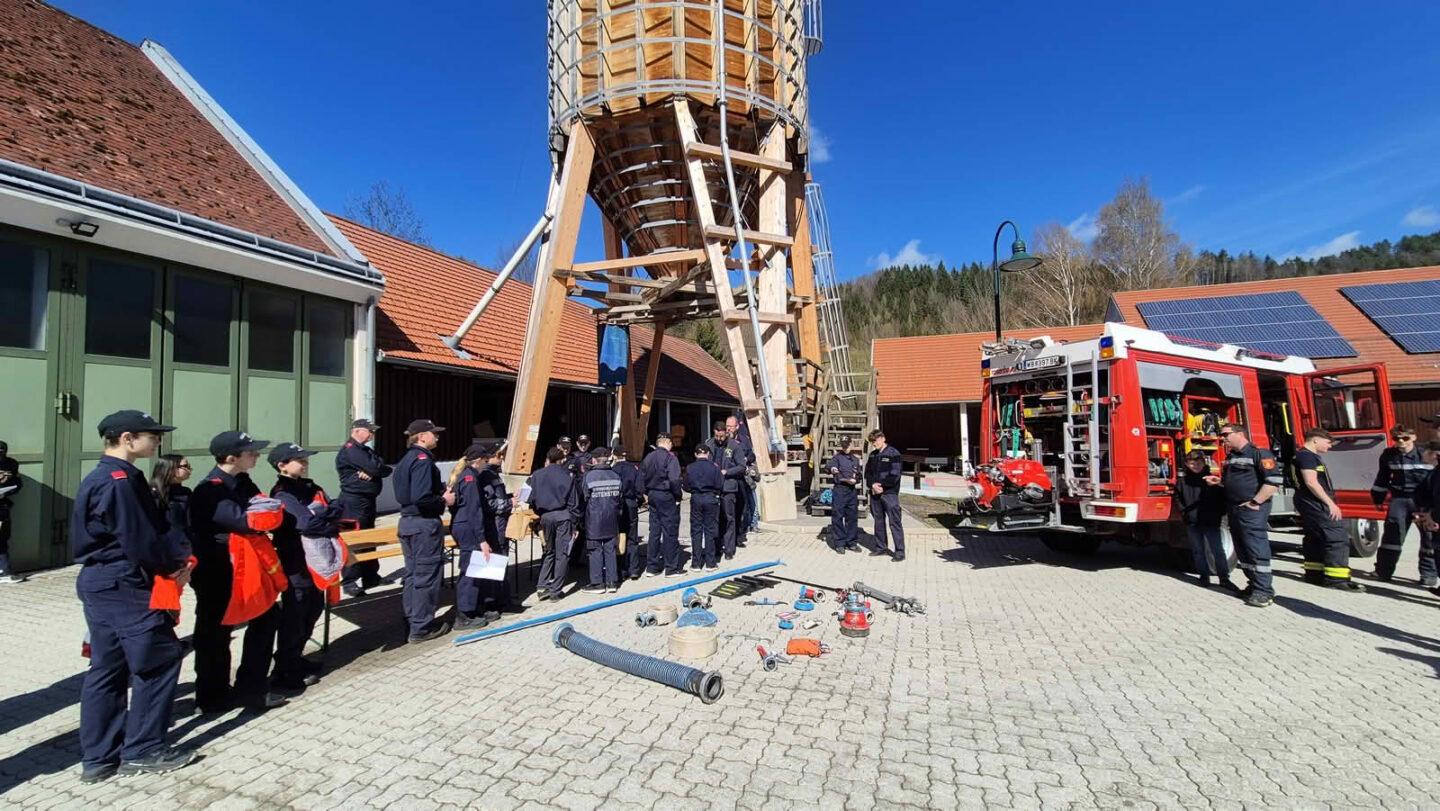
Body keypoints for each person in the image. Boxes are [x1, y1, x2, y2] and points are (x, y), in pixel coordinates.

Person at [72, 410, 195, 781]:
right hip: (124, 583)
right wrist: (173, 568)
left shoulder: (104, 476)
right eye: (151, 435)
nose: (157, 441)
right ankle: (143, 750)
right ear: (127, 439)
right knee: (158, 659)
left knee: (107, 668)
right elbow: (140, 538)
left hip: (102, 582)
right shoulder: (119, 481)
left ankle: (98, 758)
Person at [190, 430, 286, 712]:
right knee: (215, 632)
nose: (256, 455)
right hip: (217, 569)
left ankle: (251, 688)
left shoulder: (243, 481)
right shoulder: (210, 489)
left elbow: (270, 512)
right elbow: (246, 522)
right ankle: (212, 696)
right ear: (231, 458)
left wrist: (263, 515)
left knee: (267, 617)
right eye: (250, 452)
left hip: (247, 566)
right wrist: (261, 516)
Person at [267, 442, 343, 690]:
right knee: (295, 613)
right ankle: (284, 669)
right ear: (282, 465)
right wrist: (324, 518)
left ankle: (296, 657)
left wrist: (322, 516)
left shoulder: (309, 486)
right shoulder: (282, 493)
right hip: (295, 560)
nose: (305, 463)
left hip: (315, 559)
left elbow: (336, 507)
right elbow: (305, 524)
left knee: (314, 607)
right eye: (299, 460)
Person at [1206, 423, 1282, 608]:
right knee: (1242, 549)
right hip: (1234, 509)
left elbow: (1273, 482)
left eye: (1226, 434)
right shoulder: (1232, 457)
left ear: (1240, 434)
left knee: (1255, 549)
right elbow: (1233, 482)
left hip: (1251, 510)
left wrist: (1255, 502)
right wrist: (1219, 482)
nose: (1223, 438)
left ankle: (1264, 591)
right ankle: (1253, 585)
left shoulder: (1260, 454)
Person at [393, 419, 453, 642]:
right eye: (433, 433)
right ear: (421, 436)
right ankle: (421, 627)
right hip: (423, 524)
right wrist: (444, 500)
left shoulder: (405, 460)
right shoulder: (422, 461)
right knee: (426, 575)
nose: (437, 436)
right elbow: (422, 498)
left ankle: (412, 620)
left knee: (412, 574)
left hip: (408, 522)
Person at [1294, 429, 1365, 592]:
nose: (1330, 446)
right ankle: (1337, 579)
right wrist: (1330, 503)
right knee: (1336, 536)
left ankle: (1315, 574)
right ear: (1315, 441)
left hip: (1308, 501)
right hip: (1315, 502)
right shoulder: (1306, 456)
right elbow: (1311, 482)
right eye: (1327, 442)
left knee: (1315, 537)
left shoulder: (1304, 455)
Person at [1369, 424, 1436, 586]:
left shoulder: (1426, 454)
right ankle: (1383, 571)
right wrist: (1378, 499)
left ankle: (1428, 574)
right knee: (1392, 537)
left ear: (1413, 437)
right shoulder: (1388, 455)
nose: (1401, 442)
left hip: (1424, 501)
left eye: (1405, 438)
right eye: (1397, 439)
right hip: (1400, 500)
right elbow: (1382, 478)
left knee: (1429, 538)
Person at [335, 419, 391, 597]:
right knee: (353, 539)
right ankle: (349, 580)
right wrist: (375, 469)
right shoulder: (351, 450)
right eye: (370, 431)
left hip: (366, 501)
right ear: (357, 431)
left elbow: (383, 467)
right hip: (353, 502)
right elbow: (376, 468)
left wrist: (374, 469)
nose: (372, 434)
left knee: (369, 539)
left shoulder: (364, 450)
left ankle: (370, 575)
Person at [448, 443, 493, 629]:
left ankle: (473, 608)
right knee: (469, 571)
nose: (486, 463)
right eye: (485, 459)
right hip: (468, 528)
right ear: (478, 460)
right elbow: (474, 510)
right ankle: (464, 615)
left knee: (473, 569)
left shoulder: (464, 475)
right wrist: (482, 539)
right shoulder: (469, 478)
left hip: (463, 525)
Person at [1174, 450, 1233, 589]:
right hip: (1192, 522)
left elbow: (1222, 498)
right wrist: (1185, 513)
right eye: (1192, 463)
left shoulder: (1212, 480)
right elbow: (1177, 498)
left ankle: (1224, 578)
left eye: (1198, 463)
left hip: (1211, 521)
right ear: (1186, 464)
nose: (1195, 466)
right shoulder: (1182, 482)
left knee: (1217, 550)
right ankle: (1203, 577)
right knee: (1198, 551)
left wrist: (1219, 514)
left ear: (1204, 462)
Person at [529, 447, 580, 601]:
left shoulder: (536, 475)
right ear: (561, 460)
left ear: (548, 459)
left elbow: (531, 499)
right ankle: (556, 591)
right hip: (563, 516)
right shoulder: (567, 476)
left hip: (545, 516)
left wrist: (540, 515)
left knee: (549, 551)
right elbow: (573, 502)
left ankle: (542, 586)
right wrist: (575, 524)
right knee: (562, 554)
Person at [577, 447, 624, 593]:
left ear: (594, 460)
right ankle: (612, 582)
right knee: (610, 549)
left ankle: (597, 583)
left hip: (594, 519)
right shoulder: (616, 476)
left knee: (594, 550)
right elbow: (620, 499)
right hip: (612, 518)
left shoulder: (589, 477)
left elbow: (584, 498)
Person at [475, 443, 514, 616]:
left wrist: (511, 497)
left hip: (499, 524)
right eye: (501, 455)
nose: (503, 458)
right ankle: (496, 602)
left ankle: (503, 599)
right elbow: (489, 503)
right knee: (497, 561)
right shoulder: (485, 476)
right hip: (494, 526)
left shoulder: (493, 474)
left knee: (501, 560)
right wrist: (509, 503)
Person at [642, 433, 684, 577]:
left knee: (654, 531)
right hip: (666, 495)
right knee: (669, 531)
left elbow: (642, 477)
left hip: (653, 494)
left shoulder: (648, 457)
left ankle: (652, 567)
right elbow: (674, 480)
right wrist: (678, 495)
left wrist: (646, 493)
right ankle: (671, 568)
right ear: (669, 443)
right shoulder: (671, 458)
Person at [704, 421, 748, 560]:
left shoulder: (734, 446)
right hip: (713, 488)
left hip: (728, 487)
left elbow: (742, 467)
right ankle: (716, 548)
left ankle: (729, 549)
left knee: (729, 518)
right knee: (715, 519)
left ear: (726, 433)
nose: (719, 439)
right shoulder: (709, 444)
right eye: (717, 436)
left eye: (722, 436)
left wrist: (727, 472)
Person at [864, 430, 906, 562]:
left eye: (875, 441)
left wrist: (881, 486)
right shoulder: (873, 455)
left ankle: (899, 551)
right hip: (875, 493)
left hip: (889, 494)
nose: (874, 444)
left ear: (883, 438)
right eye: (872, 442)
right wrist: (872, 485)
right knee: (878, 521)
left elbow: (895, 475)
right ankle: (881, 547)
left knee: (894, 522)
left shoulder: (894, 453)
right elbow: (867, 473)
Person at [685, 444, 724, 571]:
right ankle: (710, 563)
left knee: (696, 530)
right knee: (709, 530)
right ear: (708, 454)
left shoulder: (690, 467)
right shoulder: (714, 467)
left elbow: (686, 486)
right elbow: (720, 484)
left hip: (696, 498)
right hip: (710, 499)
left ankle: (696, 563)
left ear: (695, 455)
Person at [611, 446, 646, 581]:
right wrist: (639, 501)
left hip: (616, 505)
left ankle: (621, 569)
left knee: (619, 536)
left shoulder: (612, 470)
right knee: (632, 537)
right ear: (625, 456)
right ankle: (634, 569)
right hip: (631, 503)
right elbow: (639, 489)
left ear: (614, 456)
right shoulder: (634, 469)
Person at [726, 415, 759, 534]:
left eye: (731, 426)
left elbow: (752, 455)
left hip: (745, 476)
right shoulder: (723, 441)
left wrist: (746, 459)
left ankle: (752, 524)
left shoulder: (744, 440)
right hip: (730, 477)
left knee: (750, 500)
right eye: (727, 426)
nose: (728, 429)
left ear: (737, 427)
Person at [828, 437, 862, 554]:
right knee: (838, 516)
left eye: (847, 445)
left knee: (852, 517)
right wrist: (832, 469)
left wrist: (856, 480)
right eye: (843, 445)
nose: (845, 448)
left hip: (851, 490)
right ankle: (839, 543)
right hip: (840, 490)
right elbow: (830, 467)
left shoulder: (855, 459)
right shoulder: (836, 458)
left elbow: (859, 475)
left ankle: (851, 542)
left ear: (851, 445)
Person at [0, 439, 24, 584]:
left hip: (2, 506)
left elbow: (18, 483)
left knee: (2, 537)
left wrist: (6, 493)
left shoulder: (11, 464)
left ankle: (4, 570)